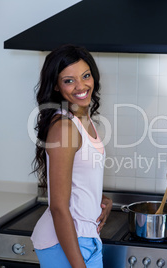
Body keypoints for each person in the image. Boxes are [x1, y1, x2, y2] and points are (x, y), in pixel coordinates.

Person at [31, 44, 112, 268]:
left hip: (85, 239)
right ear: (56, 86)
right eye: (69, 80)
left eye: (86, 76)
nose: (81, 86)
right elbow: (58, 206)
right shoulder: (65, 127)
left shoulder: (81, 121)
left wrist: (99, 199)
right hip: (66, 242)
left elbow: (78, 177)